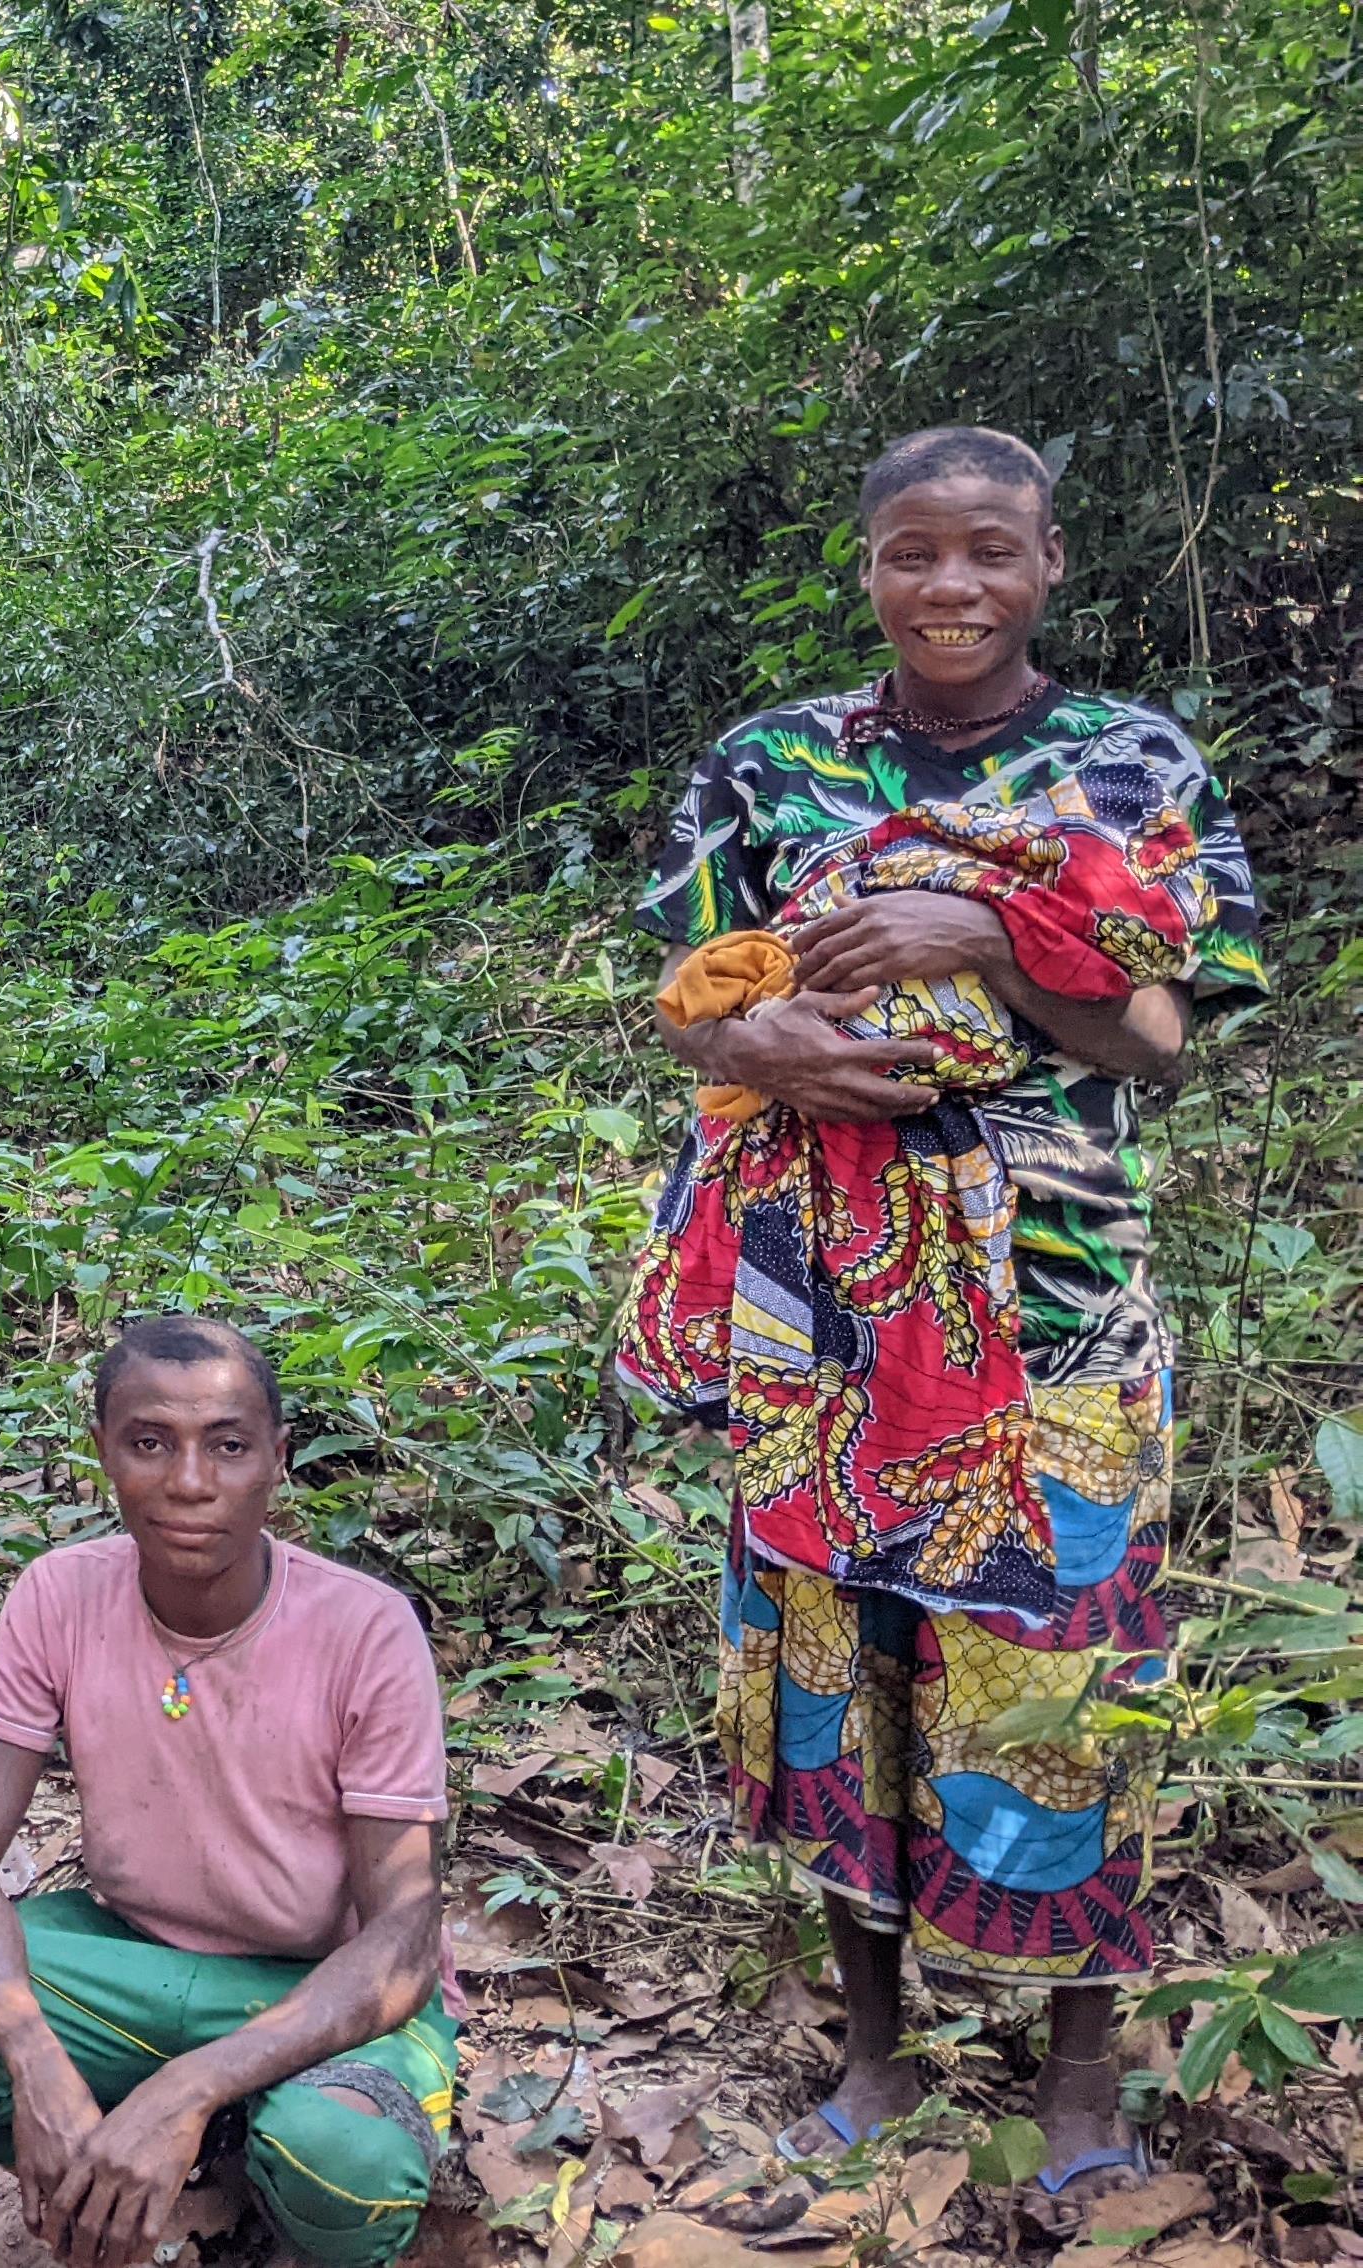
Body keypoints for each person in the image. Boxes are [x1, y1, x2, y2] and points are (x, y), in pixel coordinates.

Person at [627, 425, 1263, 2210]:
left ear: (1052, 562)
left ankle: (1074, 2084)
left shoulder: (1132, 766)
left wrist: (979, 922)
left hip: (1053, 1302)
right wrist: (751, 1043)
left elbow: (1155, 1038)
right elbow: (686, 991)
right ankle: (871, 2050)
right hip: (816, 1305)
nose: (952, 588)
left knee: (1059, 1674)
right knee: (832, 1671)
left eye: (989, 552)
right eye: (915, 553)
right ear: (869, 569)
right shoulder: (769, 765)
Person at [0, 1319, 456, 2268]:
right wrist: (36, 2065)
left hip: (316, 1981)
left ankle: (234, 2154)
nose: (191, 1484)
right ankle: (145, 2162)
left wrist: (188, 2087)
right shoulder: (60, 1597)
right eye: (150, 1443)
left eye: (230, 1446)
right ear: (104, 1454)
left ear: (278, 1459)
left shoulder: (366, 1632)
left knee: (341, 2165)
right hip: (132, 1958)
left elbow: (403, 1939)